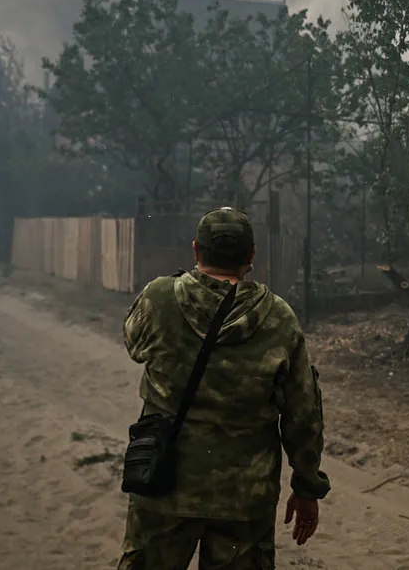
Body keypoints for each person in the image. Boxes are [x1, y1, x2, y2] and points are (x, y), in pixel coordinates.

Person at [119, 207, 330, 569]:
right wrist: (307, 487)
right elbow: (303, 414)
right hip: (245, 497)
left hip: (164, 482)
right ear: (251, 256)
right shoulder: (279, 317)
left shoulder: (159, 297)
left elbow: (134, 343)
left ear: (195, 250)